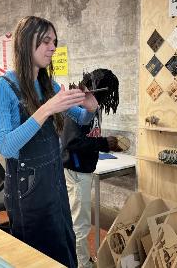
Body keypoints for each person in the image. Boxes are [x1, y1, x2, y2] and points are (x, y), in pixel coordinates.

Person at [0, 16, 99, 268]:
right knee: (37, 255)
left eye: (54, 42)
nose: (52, 47)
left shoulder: (49, 84)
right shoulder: (2, 86)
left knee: (63, 242)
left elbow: (80, 118)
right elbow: (5, 146)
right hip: (27, 186)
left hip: (54, 178)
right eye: (46, 41)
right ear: (26, 42)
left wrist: (91, 108)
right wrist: (46, 109)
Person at [60, 68, 121, 268]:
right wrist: (104, 143)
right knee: (80, 224)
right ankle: (82, 264)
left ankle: (79, 260)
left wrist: (103, 143)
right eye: (108, 93)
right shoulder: (79, 105)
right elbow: (71, 142)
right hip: (76, 171)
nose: (109, 99)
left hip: (83, 169)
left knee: (79, 220)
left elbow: (88, 137)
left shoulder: (94, 105)